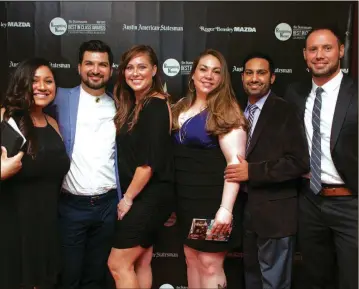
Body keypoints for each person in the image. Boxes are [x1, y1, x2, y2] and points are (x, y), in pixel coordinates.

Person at [224, 52, 309, 289]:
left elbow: (299, 162)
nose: (254, 78)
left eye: (261, 73)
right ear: (242, 78)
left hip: (276, 214)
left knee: (275, 283)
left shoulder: (285, 111)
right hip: (247, 215)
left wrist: (252, 172)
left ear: (272, 78)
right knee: (252, 279)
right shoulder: (236, 113)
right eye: (249, 73)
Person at [284, 27, 358, 289]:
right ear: (305, 55)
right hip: (309, 202)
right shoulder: (294, 93)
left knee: (352, 279)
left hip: (352, 203)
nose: (319, 55)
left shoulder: (356, 92)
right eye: (313, 49)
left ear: (341, 51)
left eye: (327, 48)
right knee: (315, 278)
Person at [172, 49, 247, 289]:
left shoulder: (227, 111)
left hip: (213, 202)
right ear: (193, 74)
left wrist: (225, 209)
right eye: (203, 69)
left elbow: (235, 165)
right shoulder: (181, 107)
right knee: (192, 259)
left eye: (216, 71)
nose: (208, 76)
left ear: (223, 78)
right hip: (186, 200)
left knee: (210, 263)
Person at [50, 40, 121, 289]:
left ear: (111, 70)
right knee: (69, 277)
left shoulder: (120, 106)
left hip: (108, 205)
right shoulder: (59, 98)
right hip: (71, 206)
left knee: (96, 277)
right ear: (79, 67)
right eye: (89, 63)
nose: (95, 70)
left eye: (102, 65)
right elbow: (20, 107)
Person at [107, 45, 174, 289]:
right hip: (147, 194)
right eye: (130, 67)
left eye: (142, 67)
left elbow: (147, 164)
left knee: (118, 264)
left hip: (148, 196)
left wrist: (127, 199)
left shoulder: (154, 106)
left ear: (154, 70)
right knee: (141, 262)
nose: (135, 73)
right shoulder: (137, 104)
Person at [0, 58, 70, 289]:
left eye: (48, 81)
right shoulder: (5, 119)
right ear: (22, 84)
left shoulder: (52, 123)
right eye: (34, 81)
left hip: (47, 226)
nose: (42, 86)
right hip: (14, 228)